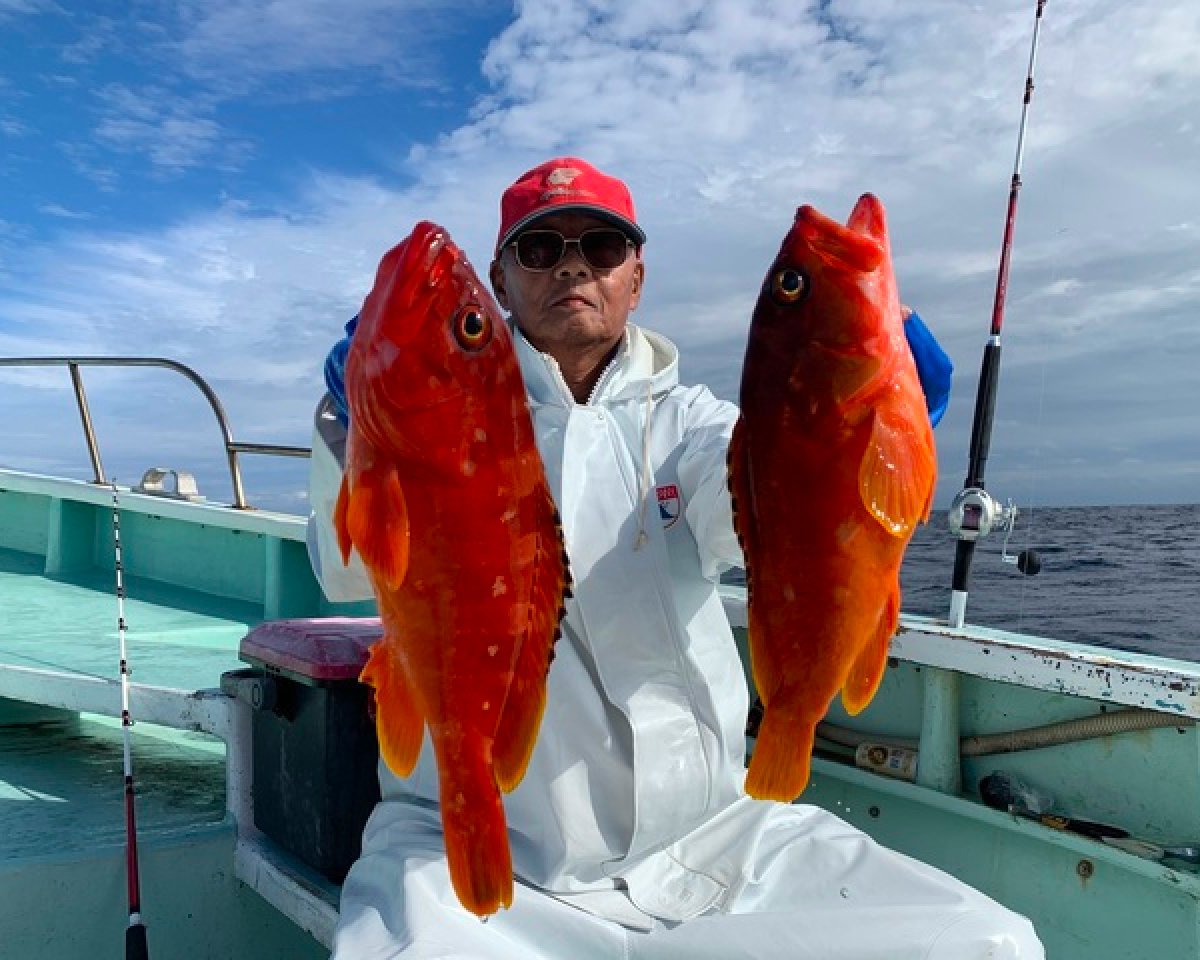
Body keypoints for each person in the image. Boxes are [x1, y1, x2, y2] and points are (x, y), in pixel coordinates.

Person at [306, 157, 1044, 959]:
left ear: (637, 276)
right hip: (483, 844)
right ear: (501, 279)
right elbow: (346, 569)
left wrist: (861, 426)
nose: (573, 263)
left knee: (988, 944)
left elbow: (751, 518)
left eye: (602, 244)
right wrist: (352, 431)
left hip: (719, 836)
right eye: (540, 248)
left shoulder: (693, 422)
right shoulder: (431, 404)